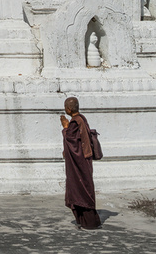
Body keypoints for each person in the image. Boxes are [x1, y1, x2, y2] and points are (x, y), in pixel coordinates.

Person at [60, 96, 101, 230]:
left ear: (68, 109)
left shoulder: (74, 123)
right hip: (84, 160)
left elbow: (71, 141)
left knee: (80, 188)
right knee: (82, 187)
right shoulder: (82, 118)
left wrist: (65, 128)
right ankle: (82, 220)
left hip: (80, 162)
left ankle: (89, 222)